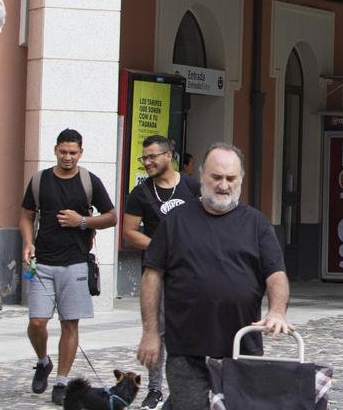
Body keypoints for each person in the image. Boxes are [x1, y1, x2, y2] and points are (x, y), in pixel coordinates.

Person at [137, 143, 290, 410]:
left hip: (241, 345)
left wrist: (277, 311)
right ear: (201, 177)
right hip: (186, 345)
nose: (223, 185)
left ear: (240, 179)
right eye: (216, 177)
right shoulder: (175, 220)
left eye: (231, 178)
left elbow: (276, 274)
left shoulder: (257, 224)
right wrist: (150, 333)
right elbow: (152, 275)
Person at [19, 128, 117, 405]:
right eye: (63, 152)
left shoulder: (89, 181)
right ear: (55, 150)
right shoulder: (40, 181)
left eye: (73, 152)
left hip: (75, 262)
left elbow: (112, 217)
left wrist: (82, 221)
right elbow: (26, 216)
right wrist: (28, 242)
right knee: (37, 322)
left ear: (81, 153)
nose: (68, 157)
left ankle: (61, 382)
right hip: (43, 263)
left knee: (69, 324)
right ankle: (43, 361)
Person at [122, 134, 202, 409]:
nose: (147, 162)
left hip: (192, 272)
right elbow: (130, 232)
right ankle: (154, 389)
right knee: (158, 331)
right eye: (144, 158)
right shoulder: (141, 193)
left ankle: (189, 387)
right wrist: (162, 248)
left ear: (169, 155)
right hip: (157, 273)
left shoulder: (193, 187)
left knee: (192, 329)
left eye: (152, 156)